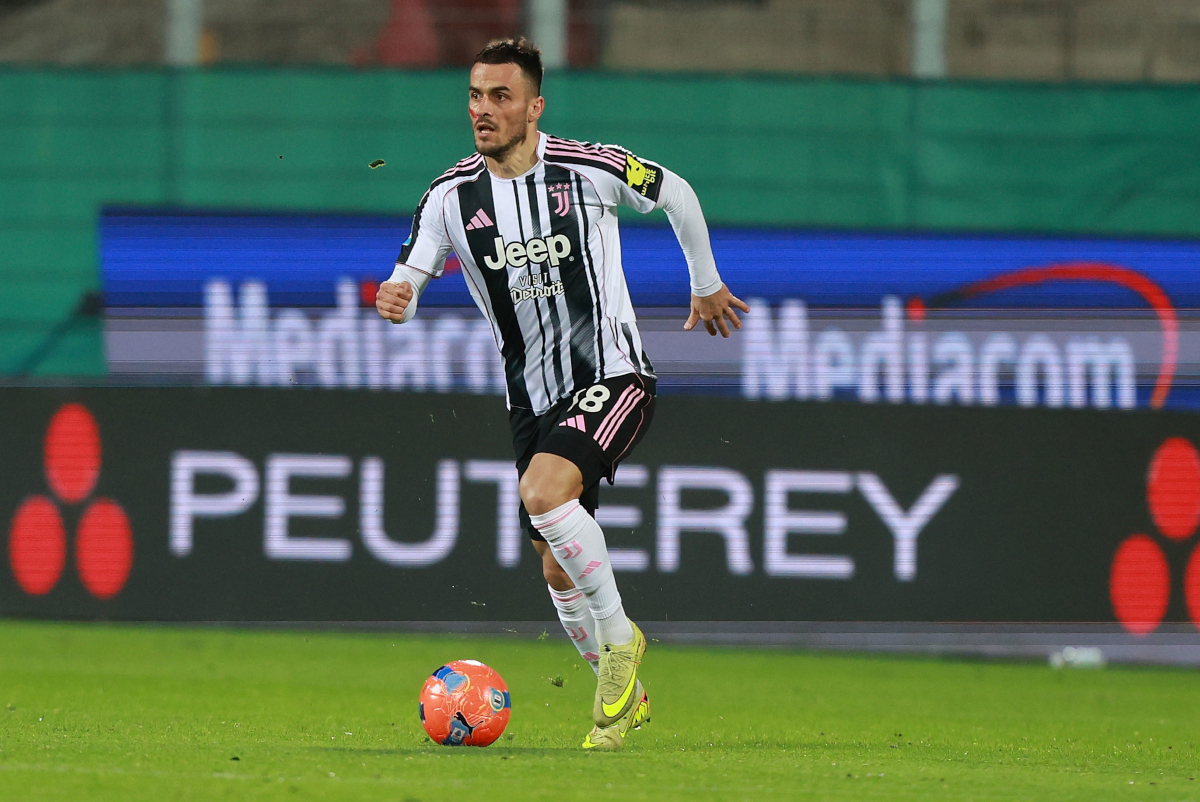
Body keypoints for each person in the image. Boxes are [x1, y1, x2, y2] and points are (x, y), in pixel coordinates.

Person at [376, 37, 748, 751]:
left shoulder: (588, 168)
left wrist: (705, 282)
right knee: (555, 560)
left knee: (543, 495)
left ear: (534, 106)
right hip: (532, 399)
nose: (483, 111)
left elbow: (675, 191)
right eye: (476, 96)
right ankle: (627, 701)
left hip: (614, 375)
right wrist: (401, 299)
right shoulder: (451, 195)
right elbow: (413, 273)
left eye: (500, 97)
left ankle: (619, 644)